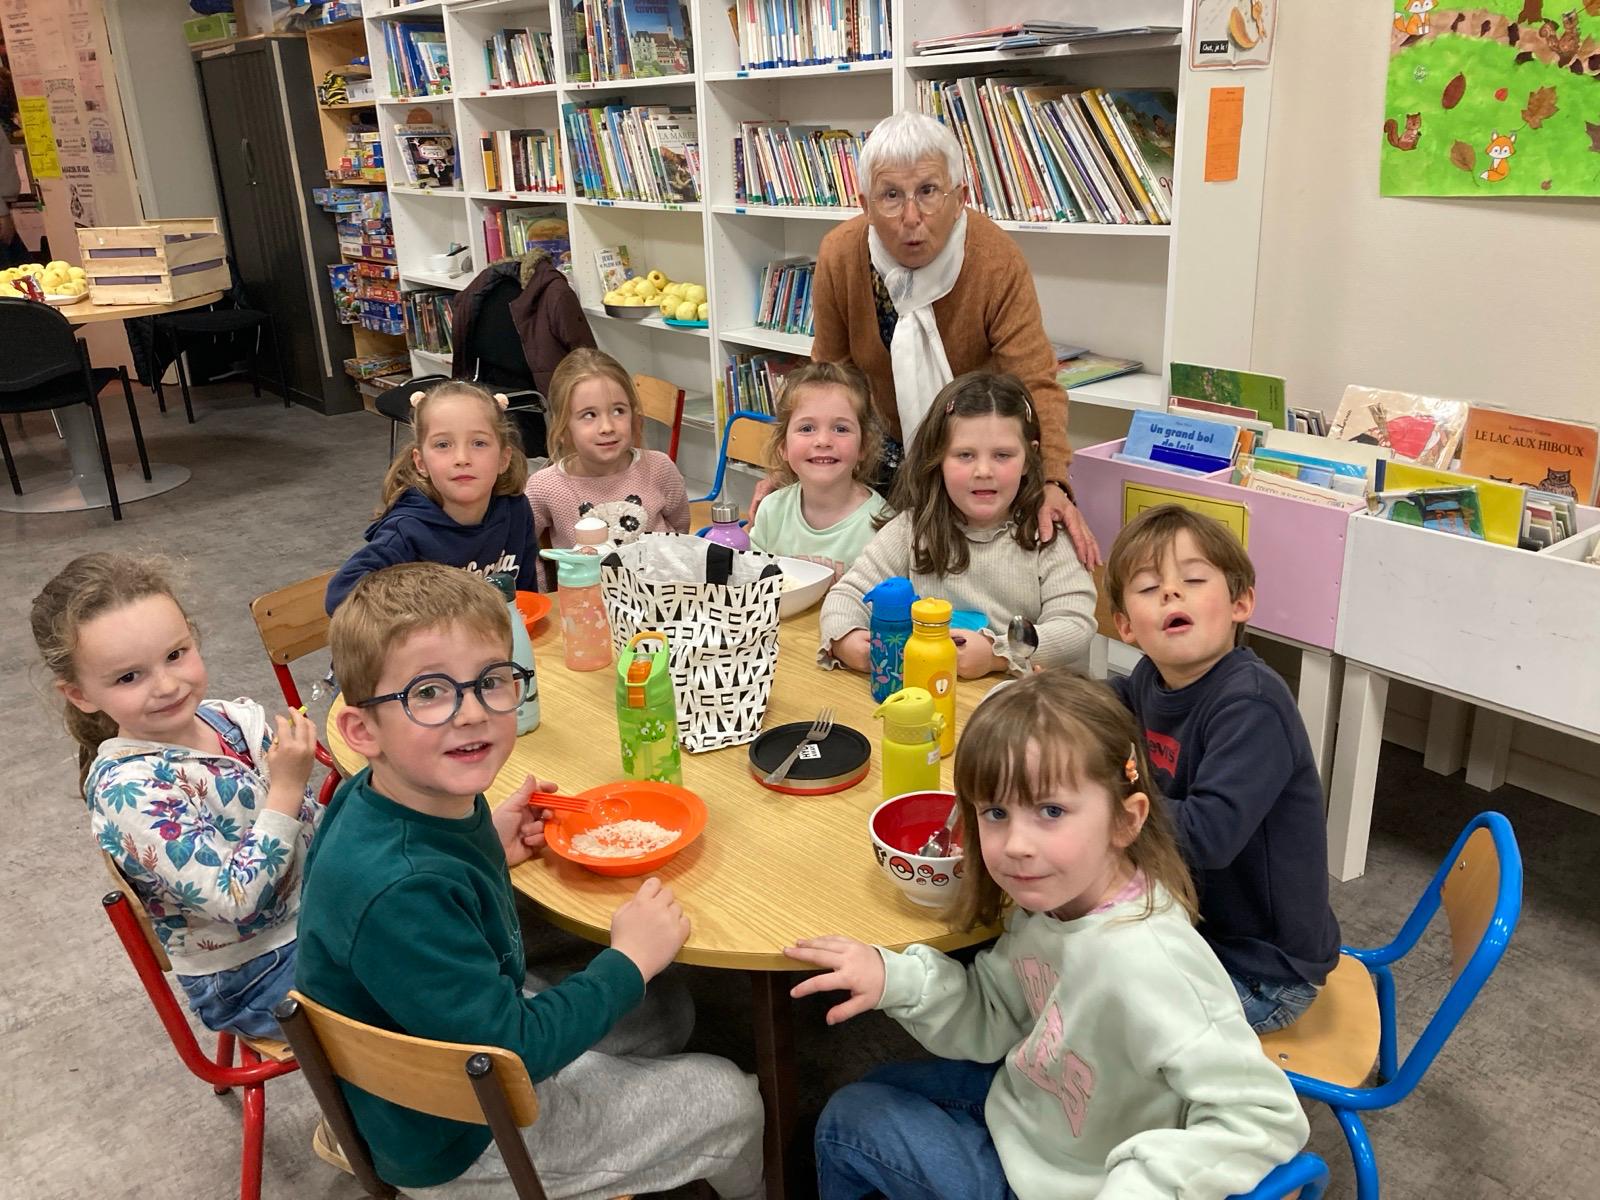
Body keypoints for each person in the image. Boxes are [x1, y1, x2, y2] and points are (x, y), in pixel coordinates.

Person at [297, 563, 764, 1198]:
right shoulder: (401, 888)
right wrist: (627, 959)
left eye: (491, 681)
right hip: (460, 1137)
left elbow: (430, 882)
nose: (471, 713)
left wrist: (488, 843)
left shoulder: (382, 796)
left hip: (451, 1054)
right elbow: (508, 1053)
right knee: (731, 1099)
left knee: (665, 1009)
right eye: (428, 692)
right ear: (362, 730)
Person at [786, 672, 1309, 1200]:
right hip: (1040, 1115)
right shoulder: (1052, 905)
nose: (1016, 843)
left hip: (1079, 1179)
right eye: (996, 813)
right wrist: (895, 978)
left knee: (846, 1122)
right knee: (877, 1088)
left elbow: (1263, 1118)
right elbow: (995, 1012)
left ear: (1125, 821)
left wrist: (1141, 1187)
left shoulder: (1149, 962)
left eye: (1051, 811)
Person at [751, 111, 1098, 568]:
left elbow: (1034, 383)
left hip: (970, 452)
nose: (911, 217)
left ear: (961, 198)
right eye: (891, 196)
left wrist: (1052, 480)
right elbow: (827, 379)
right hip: (877, 449)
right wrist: (787, 472)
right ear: (865, 204)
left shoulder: (996, 260)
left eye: (929, 191)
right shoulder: (841, 253)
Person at [30, 553, 320, 1039]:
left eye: (175, 654)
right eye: (129, 677)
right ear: (80, 694)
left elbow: (308, 825)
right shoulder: (129, 792)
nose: (166, 685)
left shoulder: (229, 719)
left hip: (311, 915)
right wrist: (287, 787)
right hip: (253, 972)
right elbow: (236, 901)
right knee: (417, 986)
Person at [1104, 504, 1341, 1033]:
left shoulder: (1251, 704)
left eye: (1192, 580)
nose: (1171, 593)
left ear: (1240, 603)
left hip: (1261, 971)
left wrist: (1101, 804)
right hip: (1195, 929)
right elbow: (1114, 701)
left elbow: (1207, 837)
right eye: (1149, 588)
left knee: (1102, 1015)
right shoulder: (1151, 678)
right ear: (1125, 626)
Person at [819, 372, 1095, 679]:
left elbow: (1074, 627)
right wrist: (846, 638)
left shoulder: (1046, 535)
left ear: (1029, 458)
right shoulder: (911, 528)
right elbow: (848, 594)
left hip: (1021, 699)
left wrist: (998, 655)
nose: (984, 471)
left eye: (1002, 455)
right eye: (965, 455)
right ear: (938, 458)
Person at [326, 381, 540, 614]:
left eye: (479, 443)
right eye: (443, 444)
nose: (462, 458)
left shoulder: (516, 509)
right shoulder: (405, 531)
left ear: (503, 459)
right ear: (421, 463)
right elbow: (341, 596)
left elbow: (526, 597)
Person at [524, 348, 689, 580]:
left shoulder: (659, 468)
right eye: (589, 415)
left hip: (659, 593)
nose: (607, 427)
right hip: (587, 596)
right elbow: (524, 549)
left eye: (618, 411)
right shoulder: (544, 487)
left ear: (634, 415)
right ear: (562, 428)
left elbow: (681, 531)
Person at [747, 361, 891, 579]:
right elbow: (753, 581)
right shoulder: (771, 511)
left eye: (840, 429)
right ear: (783, 447)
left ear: (863, 446)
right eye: (807, 428)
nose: (823, 441)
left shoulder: (882, 526)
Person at [449, 246, 595, 396]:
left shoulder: (483, 286)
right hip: (539, 397)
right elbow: (588, 360)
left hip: (487, 392)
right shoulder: (556, 291)